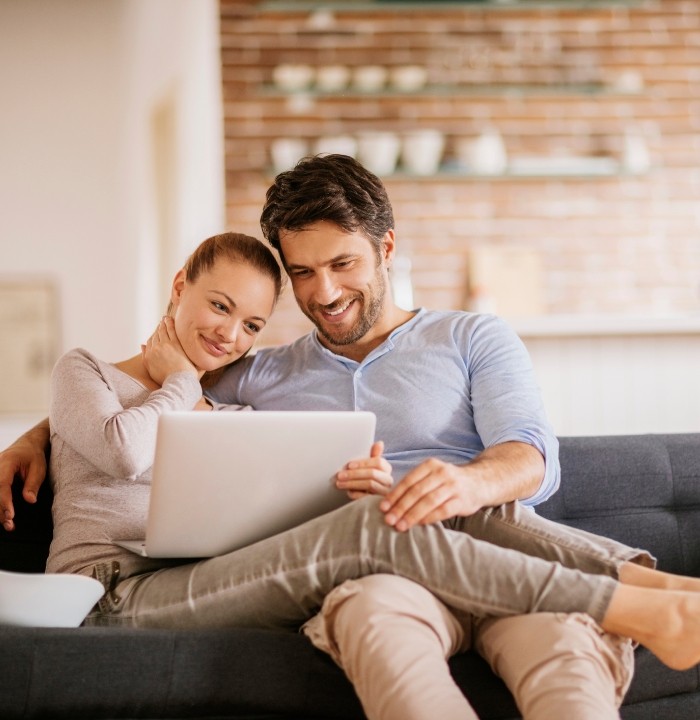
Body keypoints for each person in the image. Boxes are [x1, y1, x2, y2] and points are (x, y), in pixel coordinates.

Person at [2, 164, 700, 720]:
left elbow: (530, 457)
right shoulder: (260, 372)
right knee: (380, 590)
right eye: (302, 273)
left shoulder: (471, 337)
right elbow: (151, 391)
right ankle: (647, 593)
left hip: (490, 545)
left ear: (386, 247)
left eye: (341, 264)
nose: (324, 290)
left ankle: (650, 595)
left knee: (561, 664)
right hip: (378, 577)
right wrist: (43, 435)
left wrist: (462, 482)